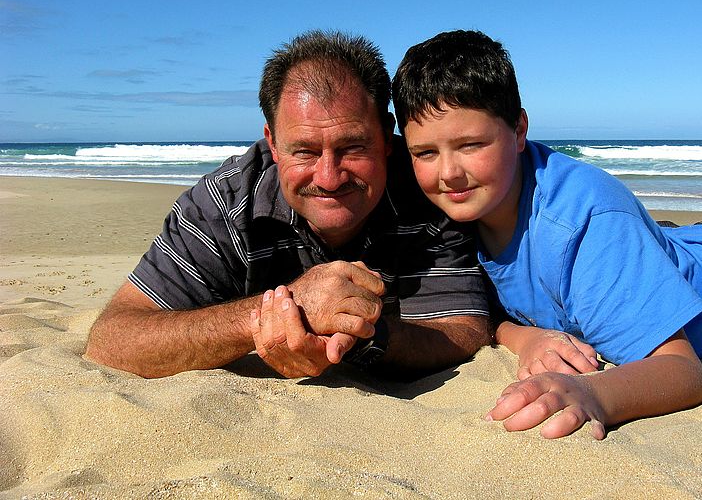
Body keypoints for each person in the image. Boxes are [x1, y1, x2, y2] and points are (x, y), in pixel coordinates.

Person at [391, 29, 702, 439]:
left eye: (471, 144)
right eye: (425, 152)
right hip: (665, 243)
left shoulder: (582, 222)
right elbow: (485, 309)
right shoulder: (458, 207)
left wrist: (589, 393)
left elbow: (684, 371)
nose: (448, 173)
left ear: (519, 130)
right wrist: (525, 337)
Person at [85, 30, 496, 379]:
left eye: (352, 147)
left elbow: (465, 328)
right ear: (273, 142)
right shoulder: (225, 206)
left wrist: (363, 336)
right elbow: (113, 340)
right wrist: (282, 311)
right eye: (304, 151)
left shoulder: (427, 190)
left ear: (386, 135)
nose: (329, 176)